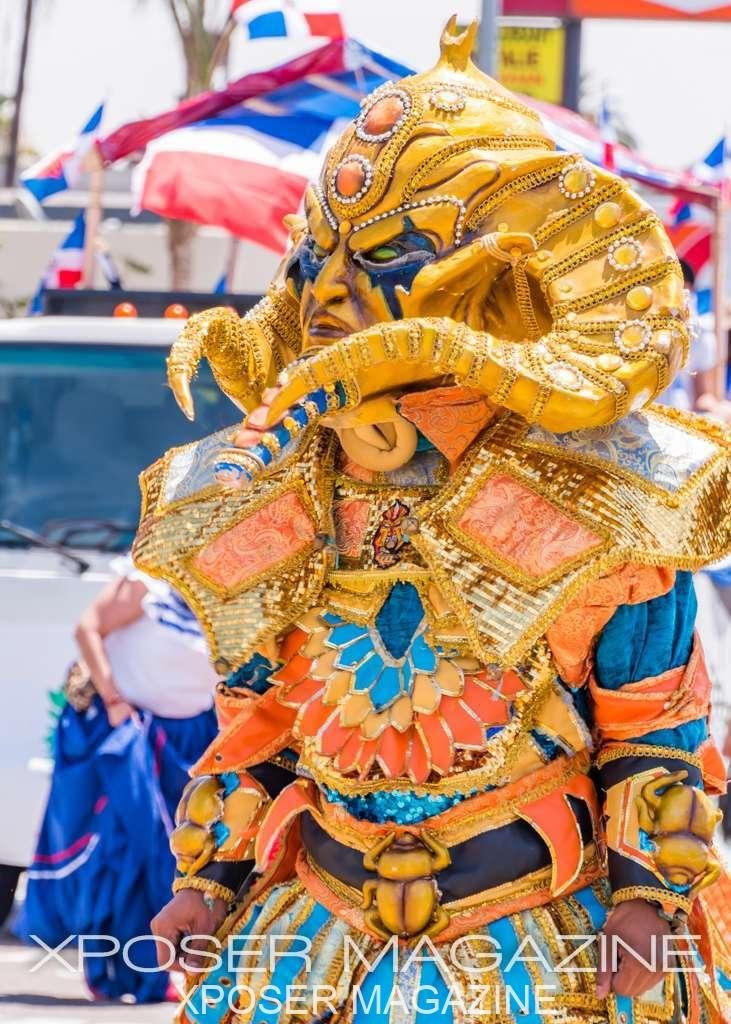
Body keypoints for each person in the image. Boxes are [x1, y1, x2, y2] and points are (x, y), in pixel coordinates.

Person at [135, 19, 731, 1024]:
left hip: (543, 940)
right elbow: (258, 725)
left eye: (386, 254)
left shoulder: (608, 493)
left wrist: (646, 899)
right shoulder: (267, 485)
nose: (330, 290)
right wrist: (208, 880)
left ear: (494, 279)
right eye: (320, 252)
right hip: (312, 936)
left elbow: (649, 725)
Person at [17, 557, 219, 1003]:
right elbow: (88, 628)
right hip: (132, 734)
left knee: (183, 858)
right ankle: (119, 972)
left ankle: (159, 974)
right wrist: (112, 698)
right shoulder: (151, 578)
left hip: (192, 739)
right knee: (129, 854)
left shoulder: (238, 591)